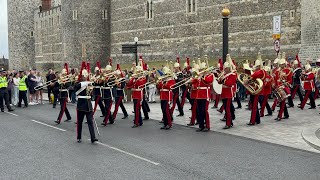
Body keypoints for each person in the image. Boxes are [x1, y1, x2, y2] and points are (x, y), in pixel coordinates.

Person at [75, 62, 98, 143]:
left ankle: (93, 137)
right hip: (81, 104)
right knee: (80, 122)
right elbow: (77, 88)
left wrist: (92, 88)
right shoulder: (79, 83)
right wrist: (88, 82)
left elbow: (92, 94)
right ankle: (79, 137)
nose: (85, 77)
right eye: (84, 76)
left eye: (86, 76)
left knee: (90, 121)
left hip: (88, 104)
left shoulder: (89, 83)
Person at [193, 61, 214, 132]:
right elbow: (195, 82)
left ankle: (207, 126)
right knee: (199, 111)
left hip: (205, 95)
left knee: (205, 111)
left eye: (202, 70)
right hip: (199, 96)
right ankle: (201, 126)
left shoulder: (210, 75)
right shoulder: (200, 76)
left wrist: (202, 76)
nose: (201, 71)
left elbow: (208, 81)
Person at [246, 53, 265, 126]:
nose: (256, 68)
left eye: (257, 66)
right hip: (255, 90)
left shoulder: (260, 72)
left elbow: (253, 76)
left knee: (254, 106)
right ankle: (257, 119)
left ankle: (252, 121)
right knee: (255, 106)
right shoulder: (261, 71)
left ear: (259, 66)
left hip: (257, 91)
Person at [219, 62, 236, 129]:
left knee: (227, 109)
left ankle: (228, 123)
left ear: (229, 68)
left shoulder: (232, 75)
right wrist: (220, 79)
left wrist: (223, 80)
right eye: (224, 68)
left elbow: (230, 83)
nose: (224, 70)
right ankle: (230, 122)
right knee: (226, 108)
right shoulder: (224, 75)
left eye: (226, 68)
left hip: (229, 93)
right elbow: (220, 82)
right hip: (223, 93)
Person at [274, 53, 291, 121]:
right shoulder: (277, 71)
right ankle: (286, 114)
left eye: (282, 64)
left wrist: (285, 83)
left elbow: (290, 80)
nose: (281, 65)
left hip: (284, 88)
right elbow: (276, 80)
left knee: (282, 102)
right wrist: (274, 85)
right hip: (278, 88)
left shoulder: (288, 70)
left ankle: (280, 116)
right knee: (281, 102)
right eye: (280, 64)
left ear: (285, 64)